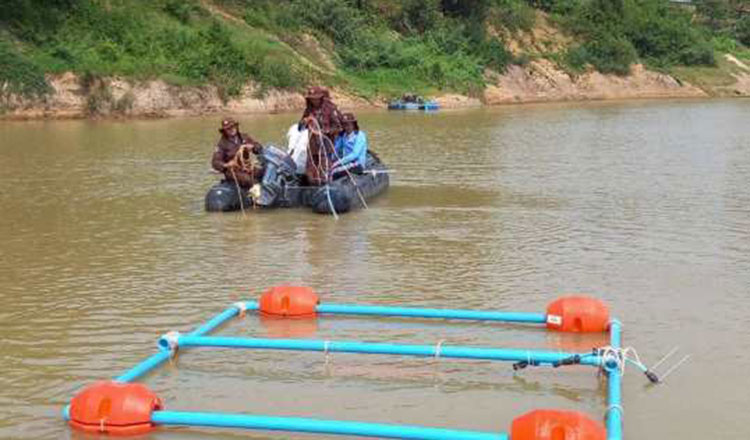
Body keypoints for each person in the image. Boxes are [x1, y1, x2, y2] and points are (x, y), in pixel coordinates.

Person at [299, 86, 343, 185]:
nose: (314, 101)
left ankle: (327, 191)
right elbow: (300, 128)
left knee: (323, 176)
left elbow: (339, 127)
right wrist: (304, 122)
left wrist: (323, 131)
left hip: (325, 148)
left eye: (315, 98)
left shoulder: (330, 109)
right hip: (312, 148)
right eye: (311, 99)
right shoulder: (308, 110)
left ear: (320, 98)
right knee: (310, 176)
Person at [211, 117, 264, 189]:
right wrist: (226, 165)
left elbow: (259, 148)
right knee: (248, 180)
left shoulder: (244, 137)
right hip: (232, 171)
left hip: (247, 167)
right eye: (228, 129)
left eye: (232, 127)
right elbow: (215, 162)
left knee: (264, 173)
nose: (231, 129)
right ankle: (257, 197)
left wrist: (253, 147)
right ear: (225, 131)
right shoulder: (222, 144)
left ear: (236, 126)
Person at [331, 112, 367, 180]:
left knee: (332, 173)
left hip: (357, 164)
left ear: (353, 125)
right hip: (346, 163)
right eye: (344, 125)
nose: (346, 127)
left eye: (348, 125)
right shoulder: (343, 135)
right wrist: (330, 160)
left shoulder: (360, 135)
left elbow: (355, 154)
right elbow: (335, 150)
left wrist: (337, 163)